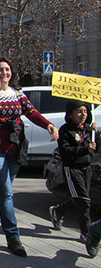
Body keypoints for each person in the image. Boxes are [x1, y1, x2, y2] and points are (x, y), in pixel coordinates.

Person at [0, 57, 59, 257]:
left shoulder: (17, 94)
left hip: (16, 146)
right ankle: (13, 237)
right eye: (0, 70)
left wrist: (48, 124)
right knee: (7, 192)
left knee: (3, 188)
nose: (4, 73)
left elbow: (31, 112)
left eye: (7, 70)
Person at [50, 100, 100, 242]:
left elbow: (96, 146)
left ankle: (58, 211)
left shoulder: (87, 129)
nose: (82, 115)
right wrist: (85, 148)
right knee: (84, 201)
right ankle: (86, 232)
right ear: (70, 114)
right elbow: (66, 151)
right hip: (72, 169)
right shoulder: (66, 130)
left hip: (87, 168)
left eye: (85, 111)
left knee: (81, 198)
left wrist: (97, 133)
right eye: (79, 111)